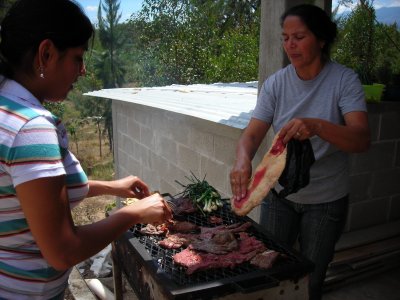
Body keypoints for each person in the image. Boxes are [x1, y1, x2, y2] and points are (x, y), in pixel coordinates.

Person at [0, 0, 172, 299]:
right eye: (77, 58)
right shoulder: (31, 127)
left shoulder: (7, 107)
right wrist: (134, 215)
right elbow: (64, 251)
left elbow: (32, 192)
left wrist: (113, 187)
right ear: (46, 53)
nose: (82, 70)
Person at [230, 4, 370, 300]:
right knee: (268, 270)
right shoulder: (276, 83)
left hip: (326, 200)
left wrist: (318, 125)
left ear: (321, 39)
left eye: (299, 37)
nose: (290, 45)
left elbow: (360, 140)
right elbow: (253, 133)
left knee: (311, 278)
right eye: (285, 38)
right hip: (279, 195)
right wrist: (243, 159)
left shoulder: (344, 80)